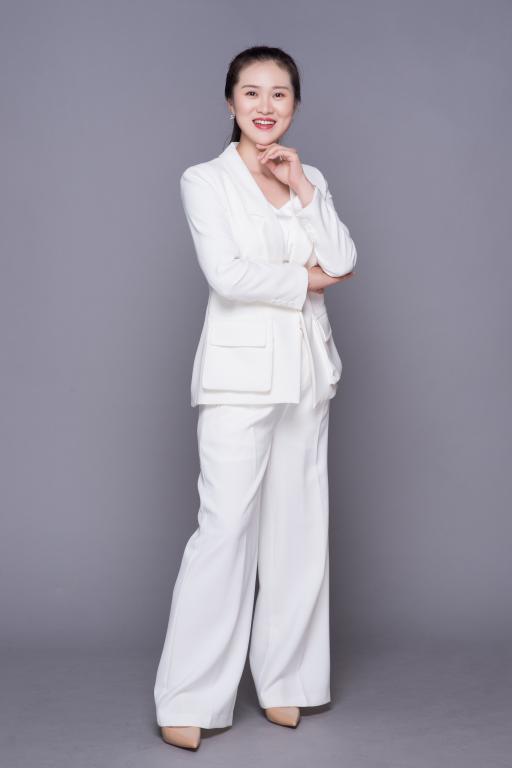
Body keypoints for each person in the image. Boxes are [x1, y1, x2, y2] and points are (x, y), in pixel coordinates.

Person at [153, 45, 357, 751]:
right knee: (225, 529)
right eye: (251, 92)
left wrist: (302, 189)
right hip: (238, 379)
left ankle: (287, 681)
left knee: (299, 529)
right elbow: (227, 275)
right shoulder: (205, 179)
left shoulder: (310, 177)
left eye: (279, 94)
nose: (265, 106)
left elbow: (344, 259)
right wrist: (304, 278)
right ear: (231, 101)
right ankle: (189, 695)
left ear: (294, 104)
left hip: (307, 373)